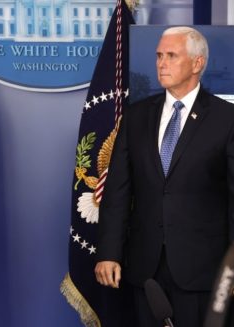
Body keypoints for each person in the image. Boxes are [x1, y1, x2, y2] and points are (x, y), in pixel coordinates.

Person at [94, 26, 234, 327]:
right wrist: (109, 252)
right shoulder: (136, 116)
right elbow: (118, 191)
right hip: (145, 268)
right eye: (159, 55)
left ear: (198, 63)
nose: (161, 63)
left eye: (171, 55)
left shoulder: (227, 119)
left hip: (203, 271)